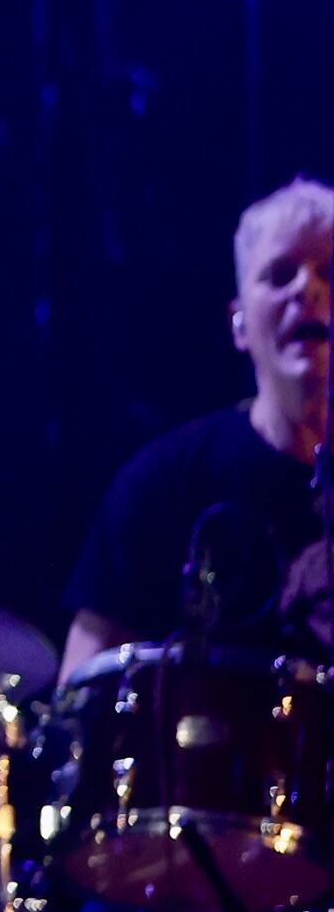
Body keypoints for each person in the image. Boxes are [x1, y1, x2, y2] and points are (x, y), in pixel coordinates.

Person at [63, 177, 334, 675]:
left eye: (330, 271)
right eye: (280, 274)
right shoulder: (163, 484)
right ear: (238, 324)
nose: (308, 288)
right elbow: (81, 697)